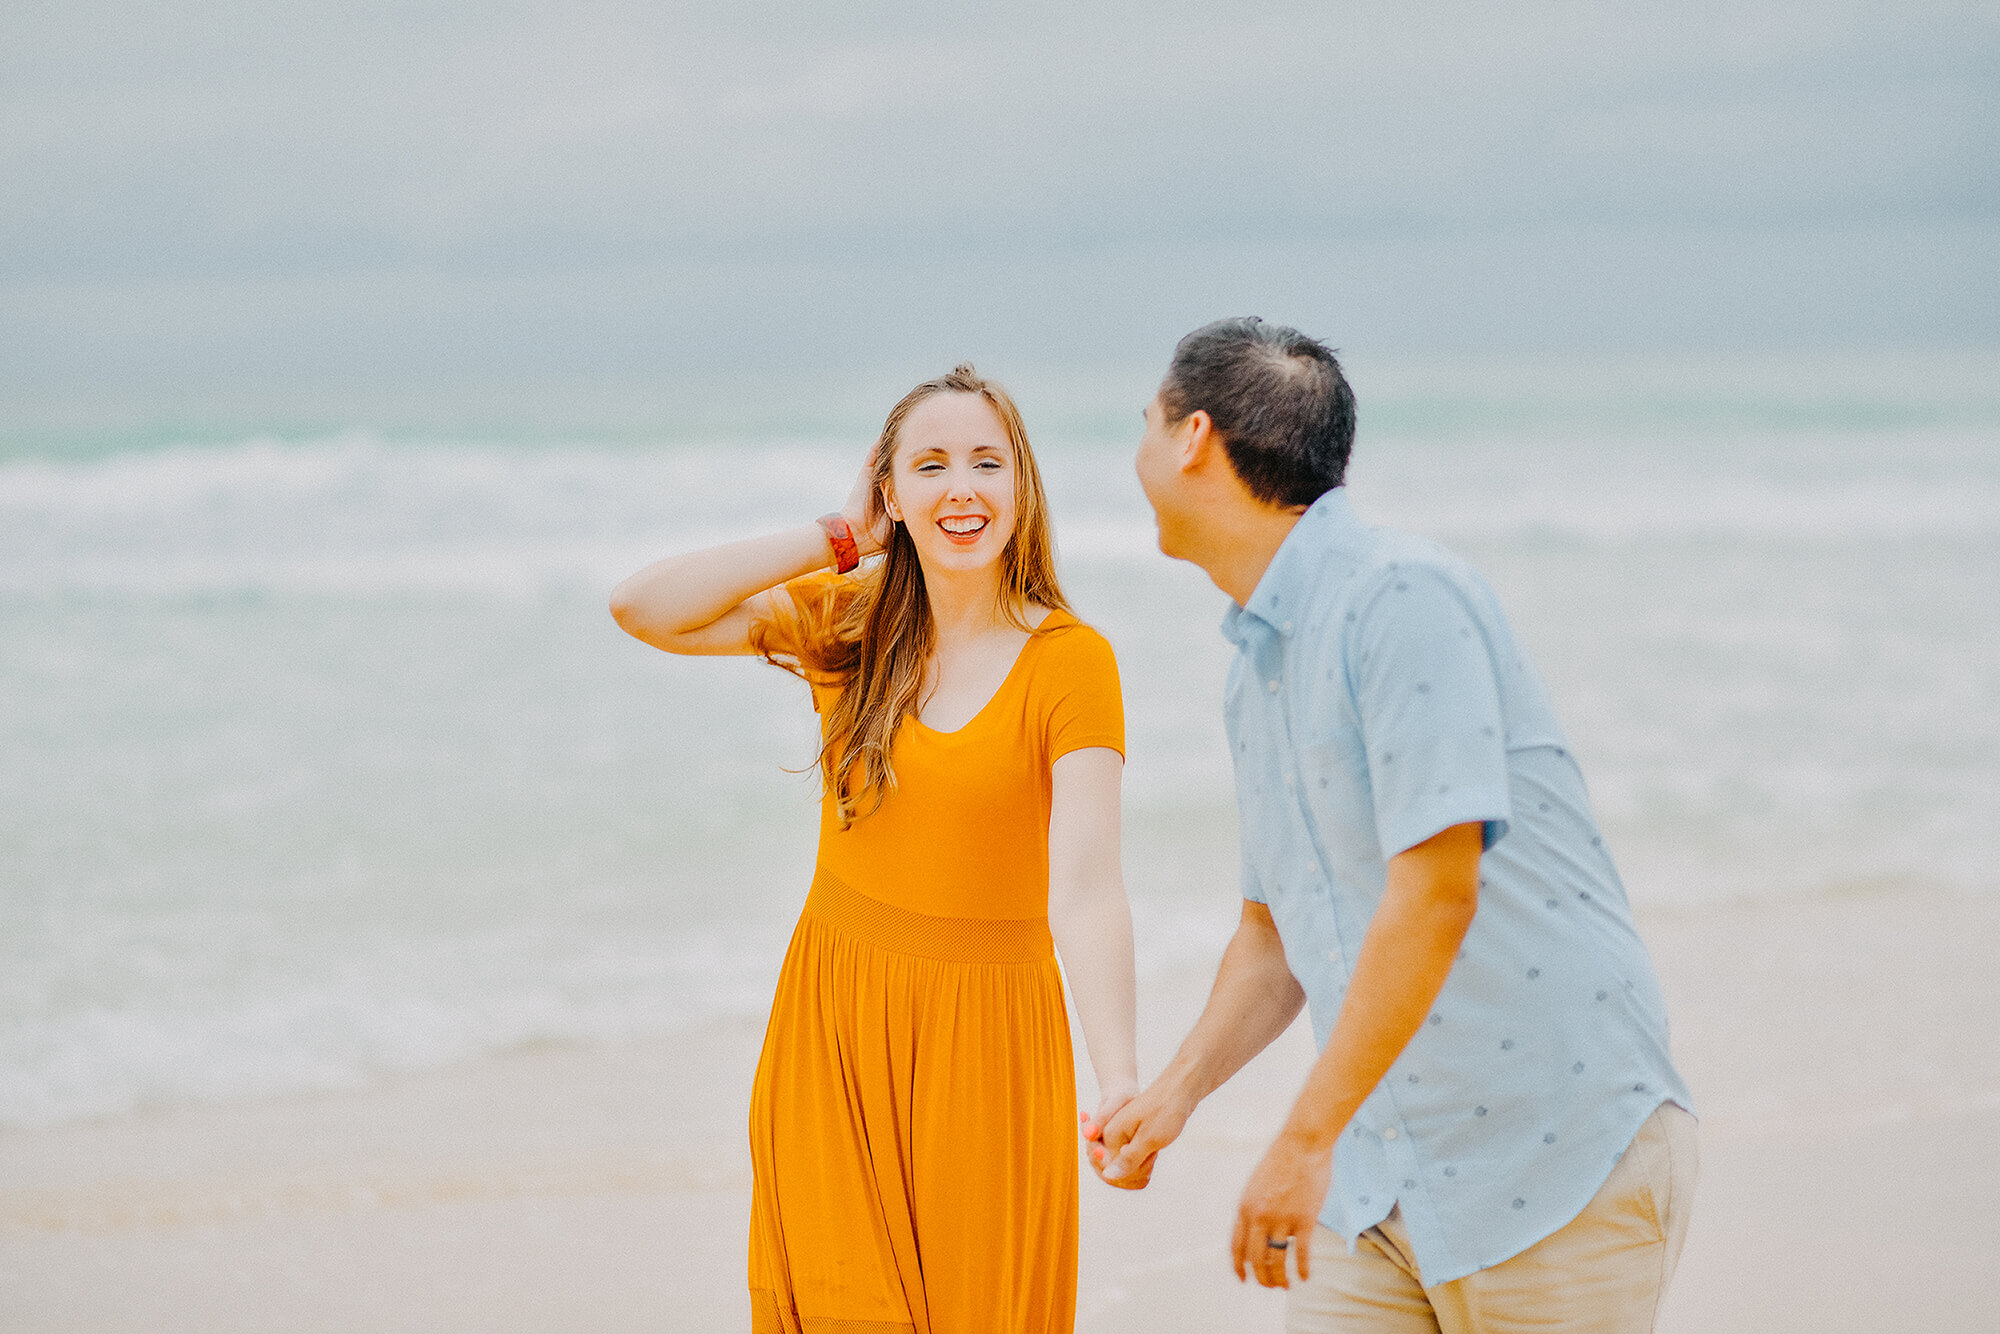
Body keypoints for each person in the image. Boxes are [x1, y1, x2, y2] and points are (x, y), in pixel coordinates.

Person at [1083, 319, 1696, 1332]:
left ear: (1191, 437)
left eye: (1143, 425)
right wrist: (1176, 1091)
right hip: (1373, 1181)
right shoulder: (1252, 671)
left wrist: (1298, 1137)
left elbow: (1436, 887)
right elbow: (1272, 932)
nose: (1135, 454)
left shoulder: (1397, 594)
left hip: (1549, 1156)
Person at [610, 364, 1138, 1334]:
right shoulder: (848, 624)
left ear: (1022, 486)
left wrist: (1119, 1078)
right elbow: (644, 606)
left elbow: (1089, 886)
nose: (961, 488)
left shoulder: (1072, 660)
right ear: (889, 490)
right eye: (928, 464)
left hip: (988, 1053)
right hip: (834, 1033)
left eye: (987, 461)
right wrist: (835, 535)